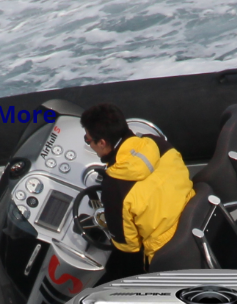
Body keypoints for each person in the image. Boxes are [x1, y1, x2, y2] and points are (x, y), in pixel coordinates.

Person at [80, 103, 195, 272]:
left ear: (102, 143)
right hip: (195, 217)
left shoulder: (114, 188)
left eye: (88, 140)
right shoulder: (156, 143)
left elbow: (128, 245)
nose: (89, 144)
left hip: (167, 252)